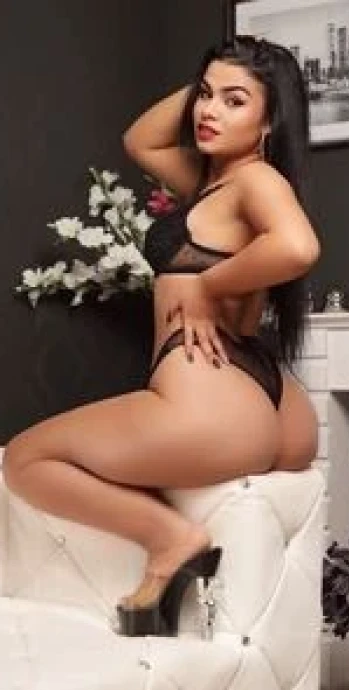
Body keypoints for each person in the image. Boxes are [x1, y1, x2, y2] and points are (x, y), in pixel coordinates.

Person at [3, 36, 320, 637]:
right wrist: (229, 68)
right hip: (267, 398)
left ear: (269, 121)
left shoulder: (255, 180)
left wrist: (205, 285)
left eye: (234, 102)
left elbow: (299, 247)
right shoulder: (211, 182)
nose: (209, 111)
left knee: (25, 458)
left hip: (214, 398)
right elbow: (140, 140)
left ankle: (170, 538)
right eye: (205, 95)